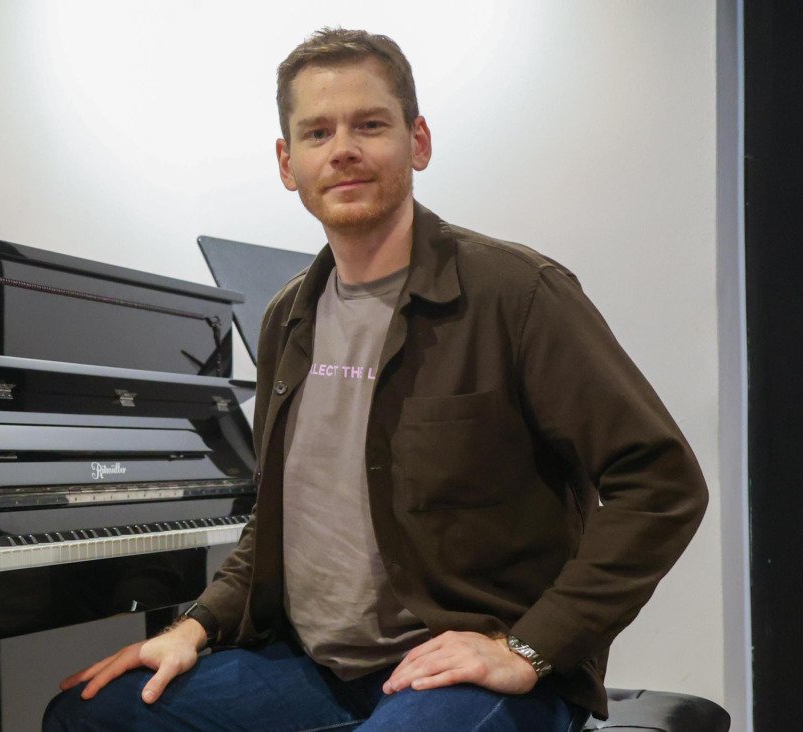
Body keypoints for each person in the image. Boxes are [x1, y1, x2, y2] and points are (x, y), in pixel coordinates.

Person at [44, 28, 707, 732]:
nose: (343, 150)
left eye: (370, 125)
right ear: (287, 161)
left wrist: (531, 647)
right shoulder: (285, 319)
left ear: (417, 141)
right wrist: (194, 627)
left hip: (470, 673)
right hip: (315, 668)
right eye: (317, 132)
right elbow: (277, 524)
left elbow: (660, 484)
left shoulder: (518, 294)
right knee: (89, 715)